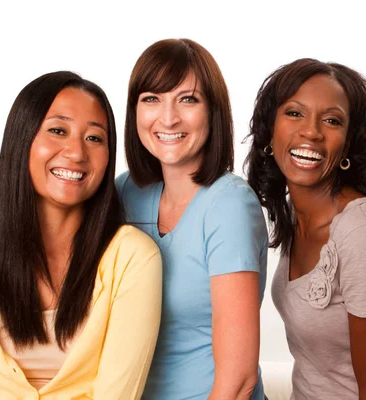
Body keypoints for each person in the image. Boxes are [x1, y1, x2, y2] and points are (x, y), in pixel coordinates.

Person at [0, 71, 162, 399]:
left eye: (94, 138)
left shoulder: (132, 257)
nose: (76, 152)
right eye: (58, 130)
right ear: (22, 138)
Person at [245, 58, 366, 400]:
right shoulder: (296, 213)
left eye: (332, 120)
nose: (311, 131)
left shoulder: (364, 237)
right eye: (294, 113)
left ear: (349, 143)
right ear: (269, 131)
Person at [116, 38, 268, 400]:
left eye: (187, 99)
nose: (168, 117)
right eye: (151, 98)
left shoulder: (228, 204)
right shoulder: (126, 193)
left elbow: (239, 381)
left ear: (212, 111)